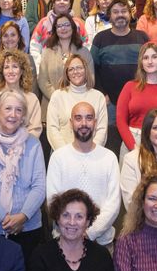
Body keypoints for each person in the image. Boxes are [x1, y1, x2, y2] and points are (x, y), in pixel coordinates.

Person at [0, 89, 48, 256]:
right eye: (8, 108)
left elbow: (40, 186)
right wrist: (5, 219)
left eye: (19, 110)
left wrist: (23, 217)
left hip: (29, 227)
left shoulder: (33, 144)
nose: (13, 114)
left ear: (23, 116)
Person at [44, 100, 122, 244]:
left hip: (102, 243)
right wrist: (73, 230)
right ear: (71, 122)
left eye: (89, 118)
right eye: (78, 118)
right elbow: (53, 201)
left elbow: (114, 203)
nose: (84, 123)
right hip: (64, 241)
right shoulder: (58, 157)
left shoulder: (109, 157)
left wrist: (90, 233)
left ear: (96, 122)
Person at [115, 42, 157, 151]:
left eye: (154, 57)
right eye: (146, 58)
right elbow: (120, 120)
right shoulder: (129, 87)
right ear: (141, 62)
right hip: (133, 141)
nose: (150, 61)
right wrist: (133, 147)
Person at [0, 48, 43, 136]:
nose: (10, 71)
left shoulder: (32, 99)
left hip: (23, 147)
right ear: (2, 71)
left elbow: (35, 131)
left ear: (22, 71)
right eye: (6, 67)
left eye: (15, 67)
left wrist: (16, 143)